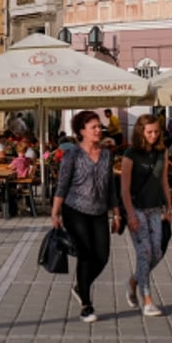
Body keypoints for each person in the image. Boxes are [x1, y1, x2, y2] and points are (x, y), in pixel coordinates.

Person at [51, 109, 119, 324]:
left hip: (99, 211)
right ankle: (86, 305)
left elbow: (110, 188)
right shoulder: (72, 155)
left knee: (103, 255)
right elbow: (62, 185)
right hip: (75, 210)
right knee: (86, 254)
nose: (99, 130)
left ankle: (81, 285)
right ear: (82, 131)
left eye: (99, 126)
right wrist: (55, 212)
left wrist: (116, 213)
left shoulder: (107, 154)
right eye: (94, 127)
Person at [120, 114, 172, 317]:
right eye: (149, 131)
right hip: (137, 209)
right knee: (145, 253)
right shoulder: (130, 154)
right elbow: (124, 189)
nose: (153, 135)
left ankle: (133, 281)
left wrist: (169, 207)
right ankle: (147, 300)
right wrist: (130, 214)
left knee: (157, 252)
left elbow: (164, 181)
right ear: (141, 132)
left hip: (155, 209)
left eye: (156, 131)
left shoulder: (161, 152)